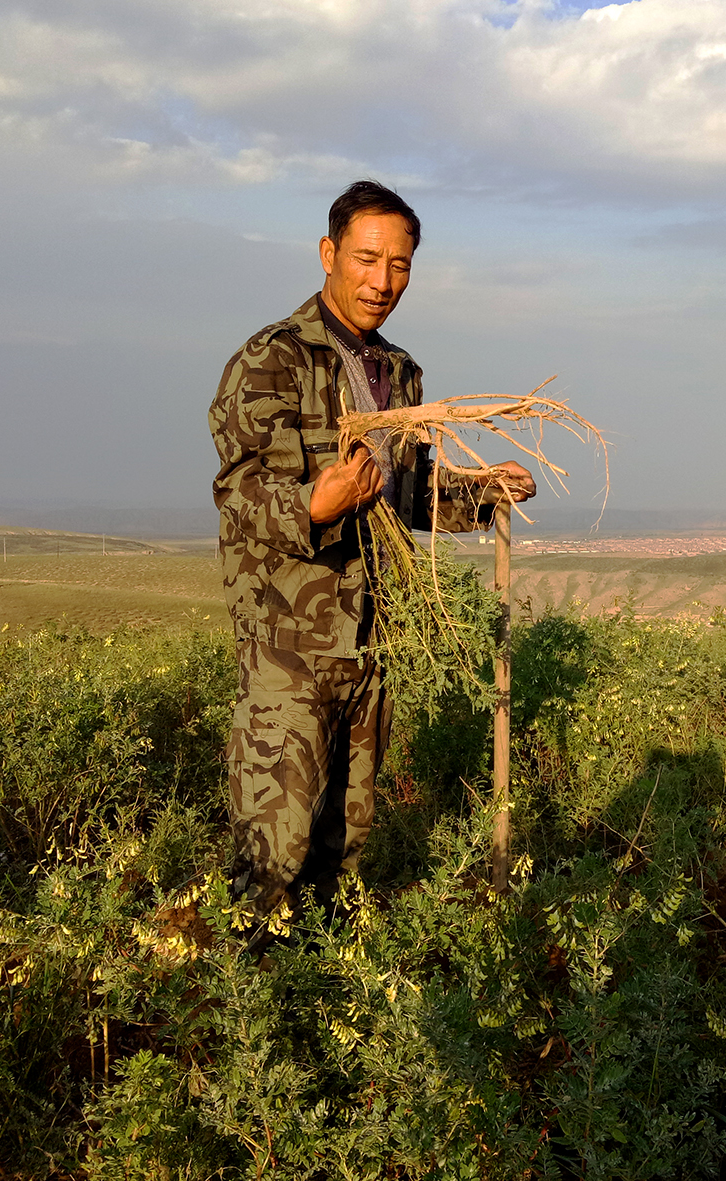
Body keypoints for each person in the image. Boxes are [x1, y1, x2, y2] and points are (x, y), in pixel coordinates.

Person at [208, 180, 535, 936]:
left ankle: (322, 1008)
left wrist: (484, 493)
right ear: (329, 254)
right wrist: (312, 505)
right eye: (366, 258)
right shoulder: (271, 362)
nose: (382, 281)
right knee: (274, 849)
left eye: (400, 265)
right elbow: (240, 497)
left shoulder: (402, 374)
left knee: (345, 843)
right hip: (288, 650)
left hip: (372, 647)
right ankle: (237, 1024)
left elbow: (413, 495)